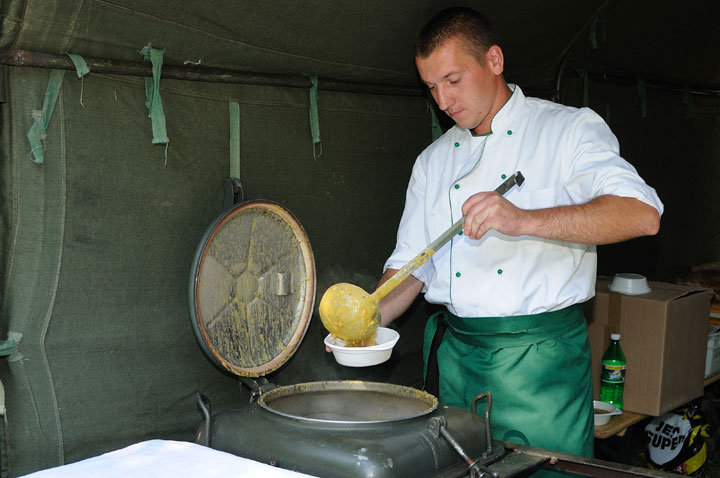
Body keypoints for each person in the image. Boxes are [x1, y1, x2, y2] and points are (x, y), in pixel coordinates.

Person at [377, 7, 663, 460]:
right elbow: (413, 262)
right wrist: (367, 317)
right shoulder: (432, 161)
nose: (443, 100)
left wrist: (523, 219)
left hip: (541, 366)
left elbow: (642, 214)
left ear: (494, 60)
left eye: (453, 80)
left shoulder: (567, 129)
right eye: (431, 87)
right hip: (459, 362)